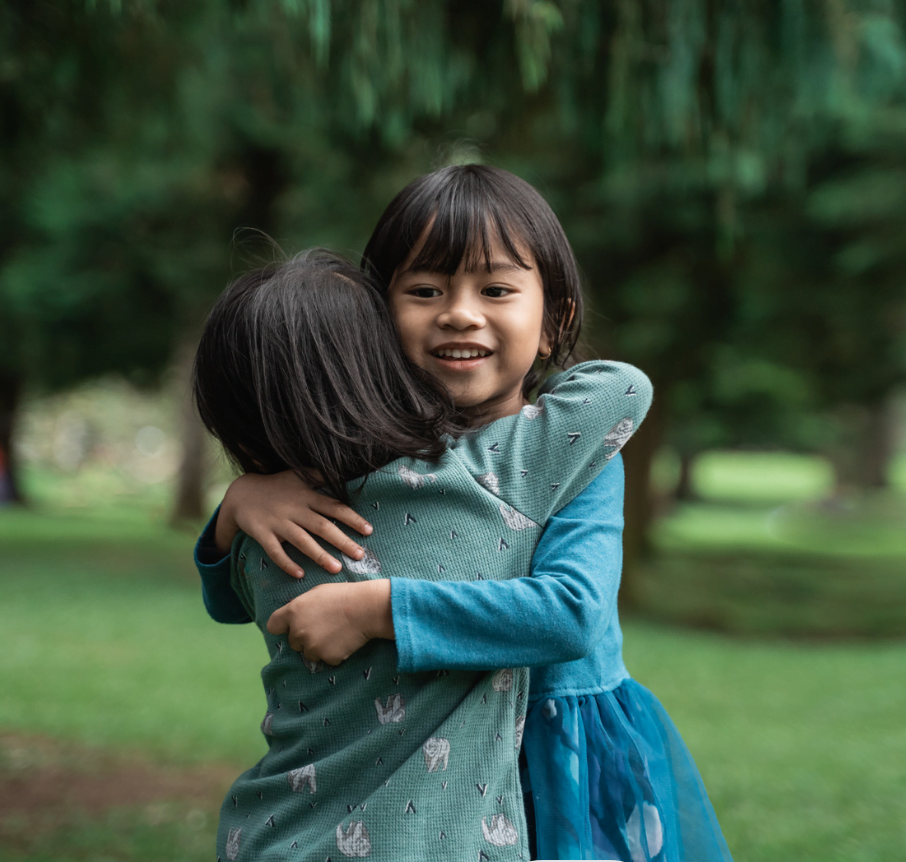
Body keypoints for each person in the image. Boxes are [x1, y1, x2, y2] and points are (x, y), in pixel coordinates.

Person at [197, 165, 734, 862]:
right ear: (375, 320)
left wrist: (377, 609)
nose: (458, 311)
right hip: (442, 756)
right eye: (424, 291)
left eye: (498, 289)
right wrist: (238, 506)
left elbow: (574, 611)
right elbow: (239, 599)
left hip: (558, 737)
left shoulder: (569, 451)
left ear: (555, 321)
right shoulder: (365, 463)